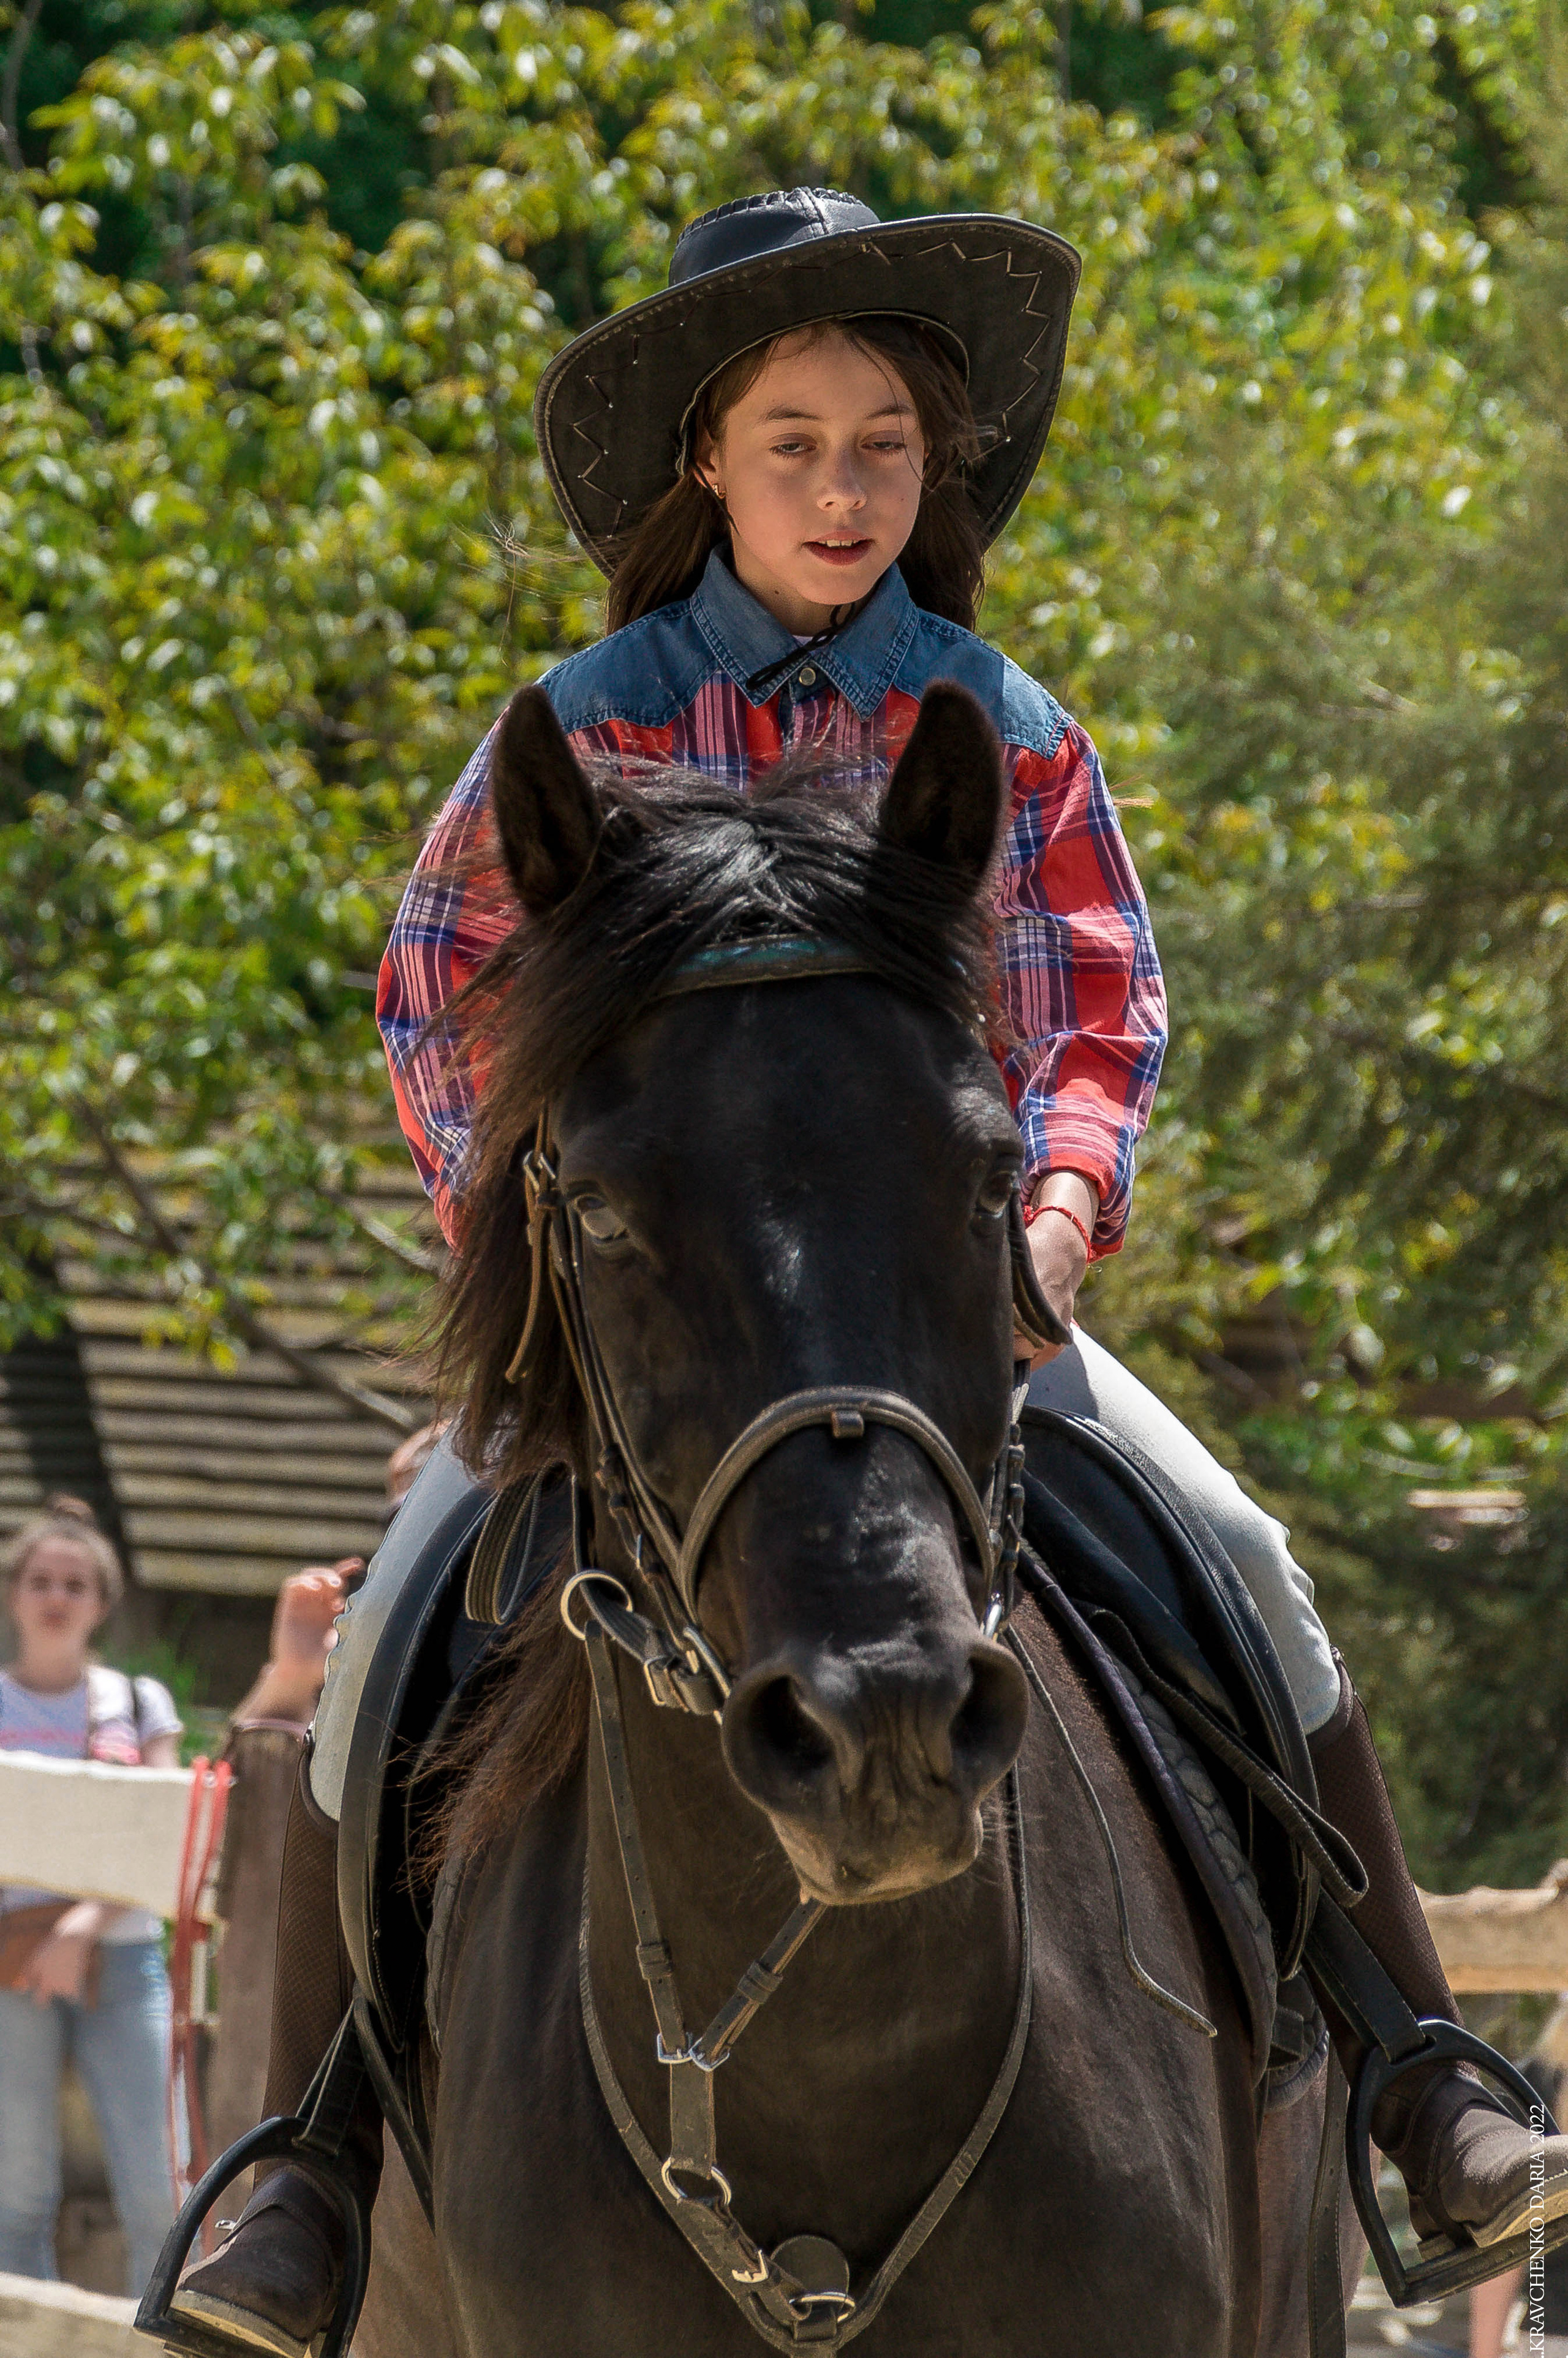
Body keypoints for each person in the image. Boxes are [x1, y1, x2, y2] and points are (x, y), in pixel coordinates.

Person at [171, 186, 1568, 2354]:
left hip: (957, 1305)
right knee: (390, 1636)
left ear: (940, 470)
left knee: (1241, 1549)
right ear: (708, 466)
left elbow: (1099, 1010)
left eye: (886, 444)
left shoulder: (1002, 723)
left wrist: (1059, 1214)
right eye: (798, 441)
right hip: (650, 1336)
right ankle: (300, 2166)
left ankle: (1417, 2074)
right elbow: (435, 1007)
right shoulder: (587, 724)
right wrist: (535, 1292)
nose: (845, 487)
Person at [0, 1496, 182, 2297]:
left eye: (75, 1582)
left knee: (159, 2193)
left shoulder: (140, 1704)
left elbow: (165, 1830)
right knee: (16, 2193)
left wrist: (78, 1925)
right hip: (10, 1965)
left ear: (100, 1602)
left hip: (125, 1953)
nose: (57, 1596)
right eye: (41, 1579)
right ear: (14, 1594)